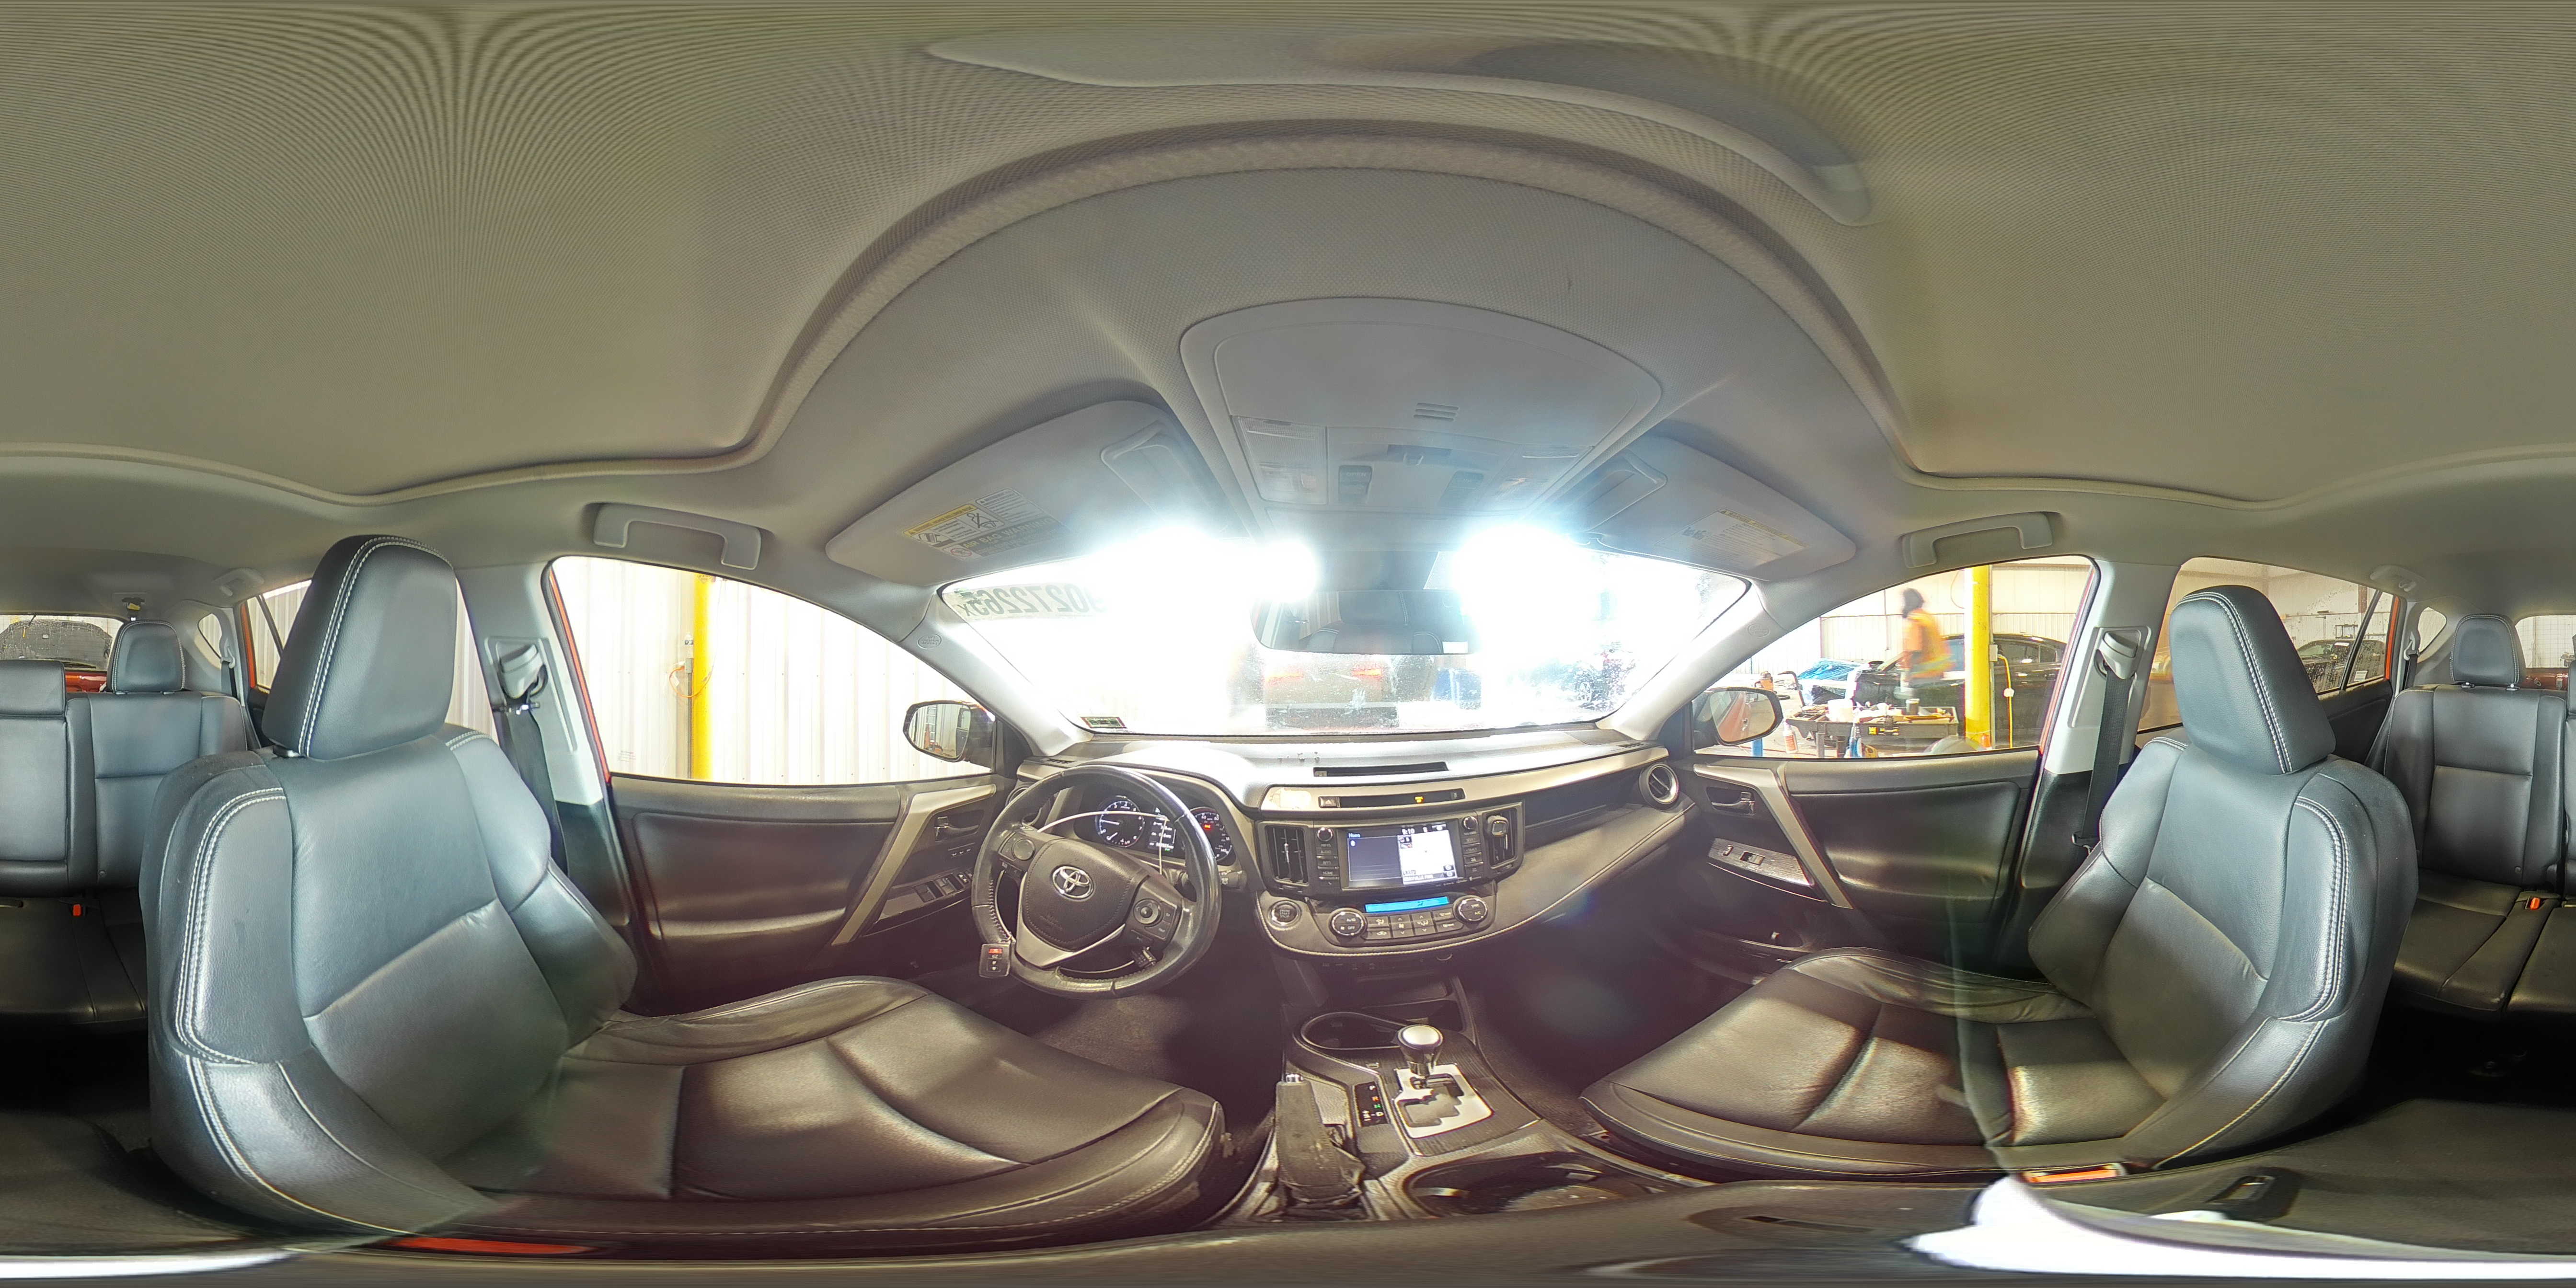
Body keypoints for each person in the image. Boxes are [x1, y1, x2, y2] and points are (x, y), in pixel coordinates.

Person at [1897, 588, 1954, 699]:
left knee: (1918, 708)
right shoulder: (1928, 618)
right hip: (1936, 675)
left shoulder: (1916, 621)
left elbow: (1916, 650)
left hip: (1922, 678)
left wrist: (1909, 674)